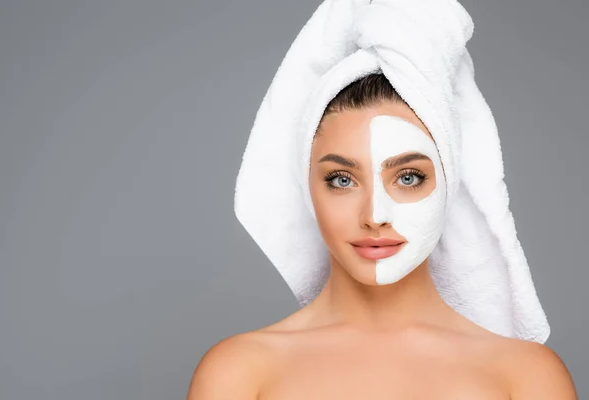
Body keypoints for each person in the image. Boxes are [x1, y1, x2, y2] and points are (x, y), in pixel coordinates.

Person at [187, 0, 578, 398]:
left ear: (449, 183)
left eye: (408, 177)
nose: (374, 215)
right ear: (306, 188)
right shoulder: (240, 372)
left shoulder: (524, 377)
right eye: (342, 179)